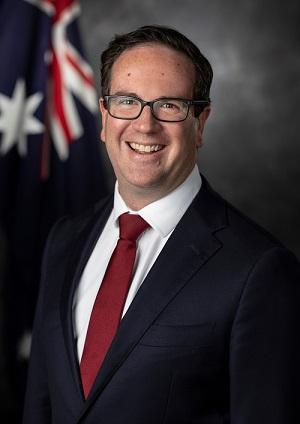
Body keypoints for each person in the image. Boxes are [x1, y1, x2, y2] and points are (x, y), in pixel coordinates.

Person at [23, 25, 300, 424]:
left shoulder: (260, 269)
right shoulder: (65, 239)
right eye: (126, 101)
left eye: (169, 105)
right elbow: (42, 403)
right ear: (104, 116)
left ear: (200, 123)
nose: (144, 124)